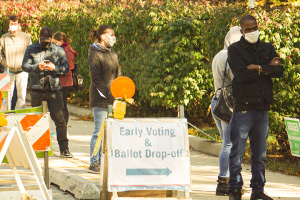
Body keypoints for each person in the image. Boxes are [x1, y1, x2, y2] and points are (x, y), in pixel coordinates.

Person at [227, 15, 284, 200]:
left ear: (258, 27)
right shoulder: (235, 50)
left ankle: (258, 191)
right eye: (248, 29)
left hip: (262, 108)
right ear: (242, 31)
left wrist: (257, 67)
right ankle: (235, 189)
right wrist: (266, 69)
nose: (252, 32)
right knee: (237, 152)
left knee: (260, 154)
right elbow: (241, 74)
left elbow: (279, 71)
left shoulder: (266, 47)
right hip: (243, 108)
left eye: (254, 28)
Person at [22, 27, 73, 158]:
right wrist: (36, 67)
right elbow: (25, 66)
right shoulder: (31, 49)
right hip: (36, 90)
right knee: (36, 120)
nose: (45, 42)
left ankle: (64, 149)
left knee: (60, 120)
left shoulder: (58, 50)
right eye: (43, 40)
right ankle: (36, 149)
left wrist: (54, 68)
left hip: (54, 90)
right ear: (39, 38)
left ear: (51, 39)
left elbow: (66, 68)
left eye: (48, 40)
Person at [211, 26, 242, 196]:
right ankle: (224, 182)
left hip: (217, 101)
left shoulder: (218, 55)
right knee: (229, 145)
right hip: (229, 103)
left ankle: (228, 181)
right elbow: (237, 80)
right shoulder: (231, 56)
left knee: (227, 144)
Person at [88, 24, 121, 173]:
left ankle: (107, 161)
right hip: (101, 98)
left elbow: (118, 74)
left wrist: (119, 92)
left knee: (111, 132)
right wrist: (106, 94)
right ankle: (94, 162)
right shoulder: (94, 53)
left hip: (114, 98)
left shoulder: (113, 53)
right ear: (103, 36)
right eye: (111, 34)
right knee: (98, 131)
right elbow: (96, 78)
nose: (113, 37)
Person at [0, 14, 32, 110]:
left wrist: (25, 64)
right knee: (5, 98)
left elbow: (31, 53)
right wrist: (5, 63)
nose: (13, 25)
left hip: (22, 72)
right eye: (11, 23)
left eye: (15, 23)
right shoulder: (4, 38)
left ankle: (19, 117)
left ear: (19, 25)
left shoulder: (26, 37)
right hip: (7, 72)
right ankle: (5, 118)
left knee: (21, 97)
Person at [53, 32, 79, 125]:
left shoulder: (67, 52)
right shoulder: (61, 50)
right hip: (60, 81)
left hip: (64, 82)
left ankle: (63, 126)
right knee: (59, 106)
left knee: (62, 106)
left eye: (55, 43)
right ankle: (61, 126)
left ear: (61, 41)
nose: (54, 45)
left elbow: (67, 69)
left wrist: (54, 69)